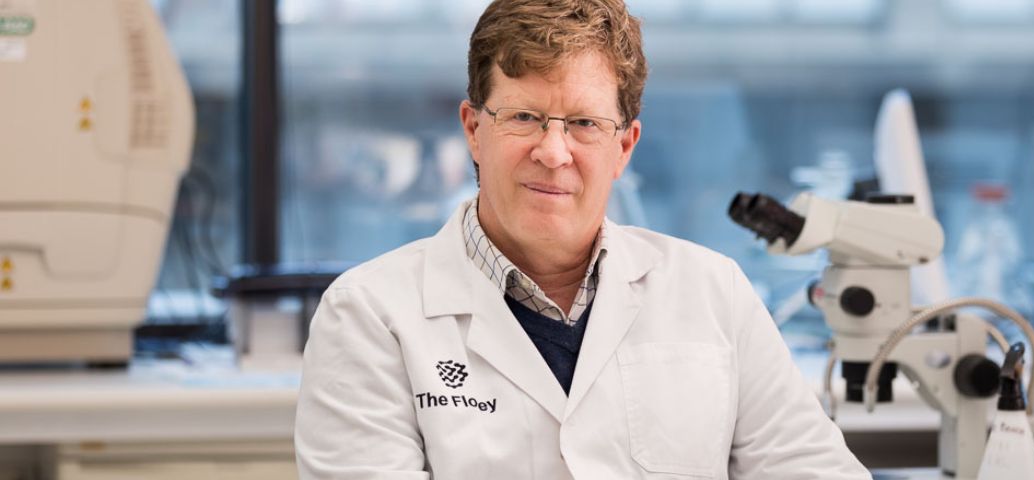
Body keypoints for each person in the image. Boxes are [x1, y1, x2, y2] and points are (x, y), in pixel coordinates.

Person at [294, 0, 869, 478]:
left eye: (585, 124)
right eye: (523, 117)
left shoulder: (713, 293)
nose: (553, 151)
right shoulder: (370, 315)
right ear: (473, 129)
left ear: (624, 147)